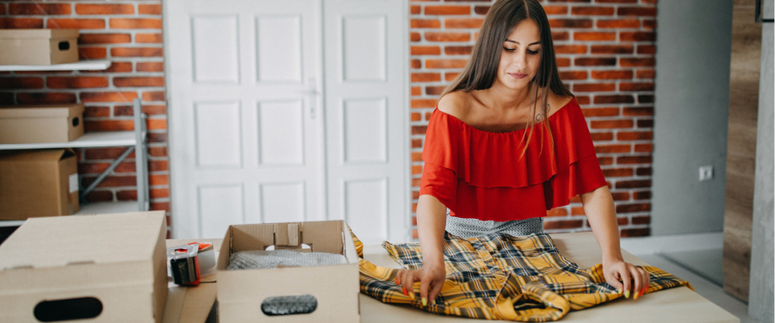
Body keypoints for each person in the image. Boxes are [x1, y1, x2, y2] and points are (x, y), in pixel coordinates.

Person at [396, 0, 650, 307]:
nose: (521, 64)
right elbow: (432, 193)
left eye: (533, 51)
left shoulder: (560, 108)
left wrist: (611, 257)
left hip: (530, 239)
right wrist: (434, 262)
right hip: (459, 238)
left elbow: (594, 188)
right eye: (510, 48)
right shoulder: (454, 108)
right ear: (490, 46)